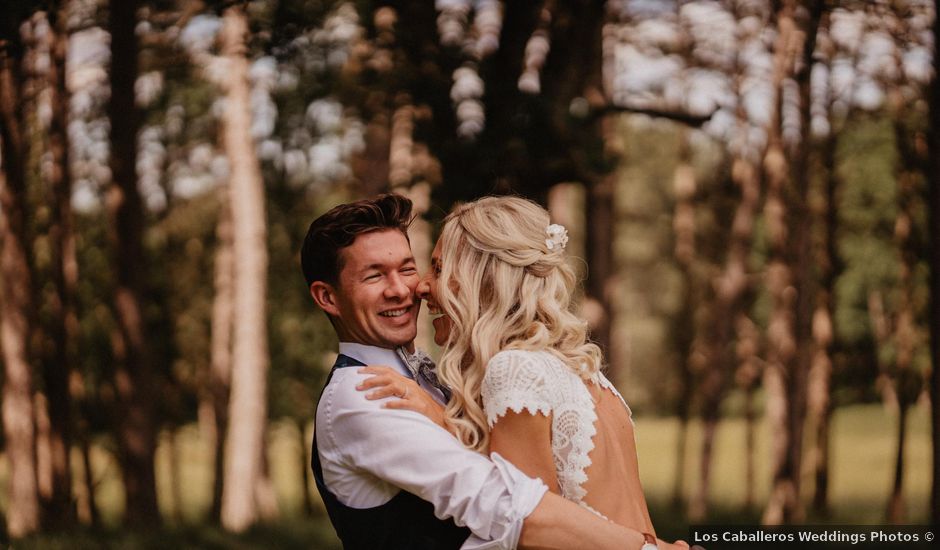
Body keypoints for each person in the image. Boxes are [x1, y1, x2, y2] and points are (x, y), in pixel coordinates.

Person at [302, 194, 686, 550]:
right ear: (327, 297)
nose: (409, 288)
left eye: (411, 268)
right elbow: (507, 506)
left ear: (477, 279)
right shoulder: (363, 394)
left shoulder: (506, 370)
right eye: (374, 276)